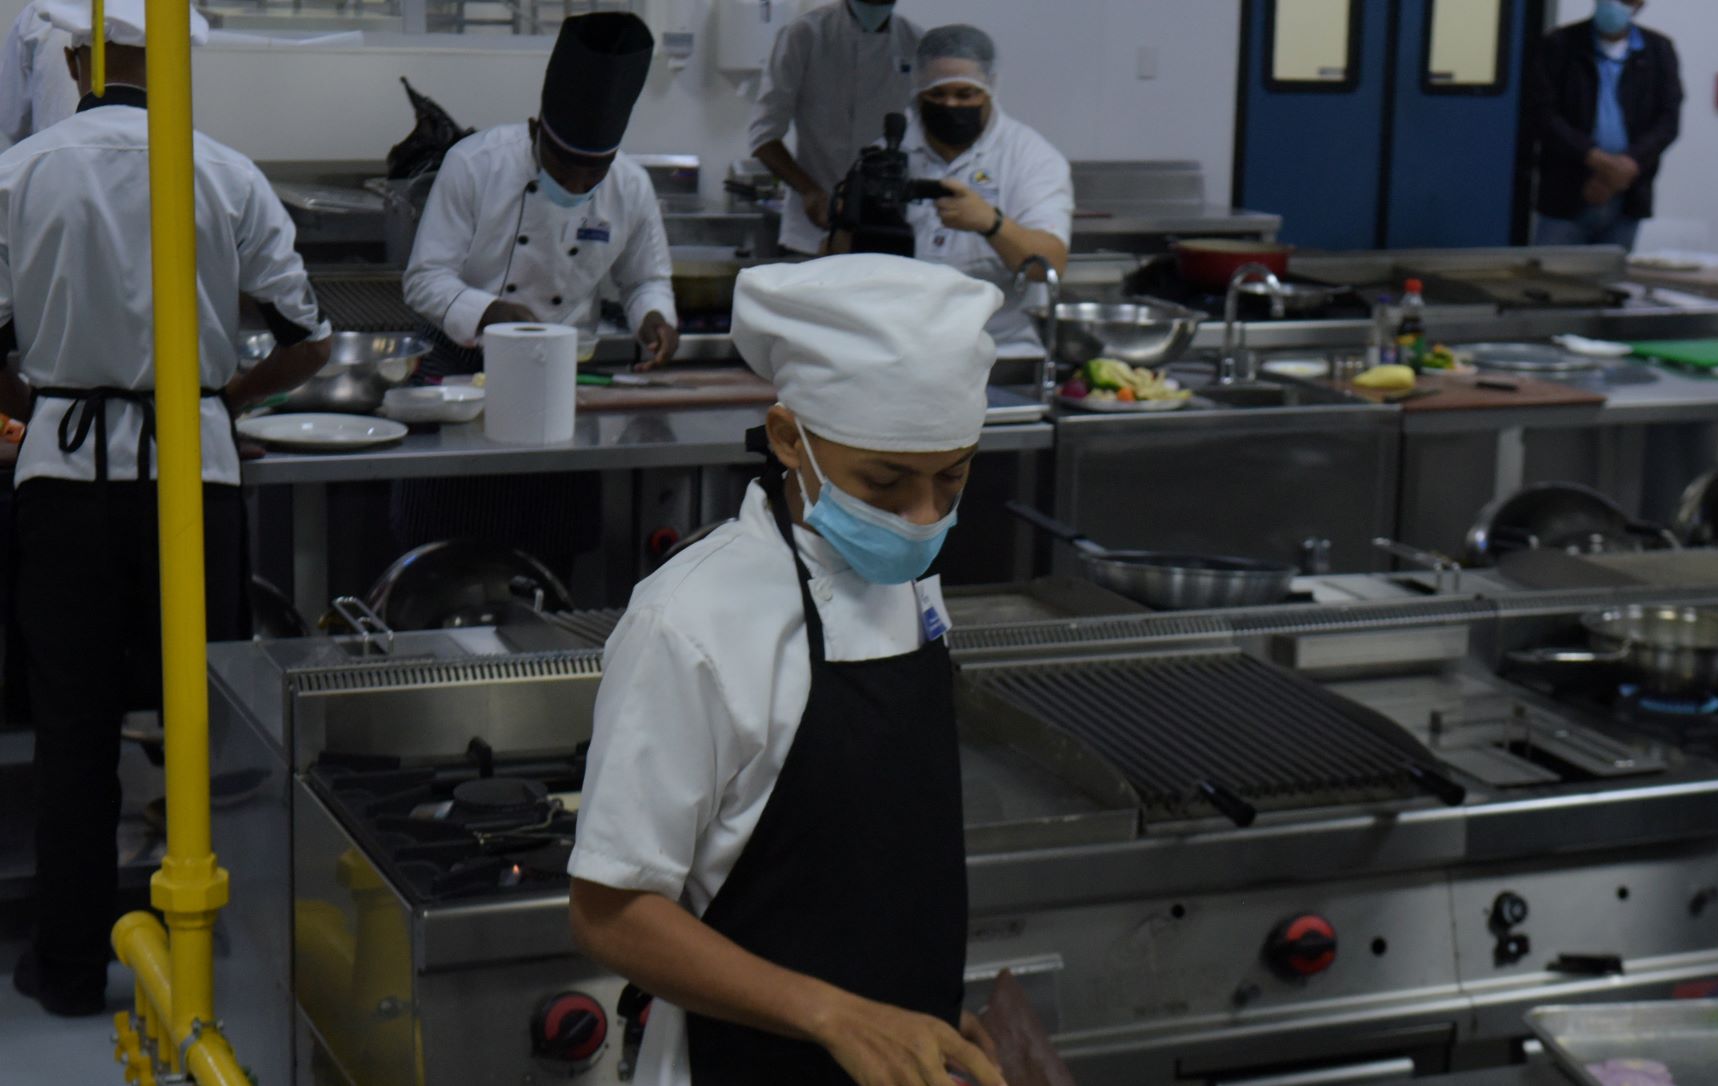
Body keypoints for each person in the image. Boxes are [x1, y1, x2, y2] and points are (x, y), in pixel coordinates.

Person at [569, 254, 1009, 1086]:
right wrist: (838, 1015)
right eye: (884, 482)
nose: (921, 519)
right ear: (786, 438)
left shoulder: (906, 580)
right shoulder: (690, 622)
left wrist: (914, 1005)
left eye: (951, 478)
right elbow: (610, 913)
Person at [0, 0, 332, 1016]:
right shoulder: (224, 172)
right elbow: (309, 339)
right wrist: (218, 401)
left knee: (73, 733)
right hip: (194, 486)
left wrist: (42, 403)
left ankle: (68, 967)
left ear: (75, 57)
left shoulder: (21, 172)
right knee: (205, 726)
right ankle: (217, 962)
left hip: (61, 484)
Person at [397, 11, 675, 578]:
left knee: (547, 556)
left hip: (555, 380)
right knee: (444, 551)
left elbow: (645, 278)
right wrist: (490, 312)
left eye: (593, 172)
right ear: (535, 129)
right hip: (459, 370)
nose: (577, 184)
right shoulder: (475, 165)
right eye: (565, 166)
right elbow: (424, 279)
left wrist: (653, 315)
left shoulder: (630, 186)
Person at [898, 25, 1071, 358]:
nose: (950, 104)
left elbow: (1050, 264)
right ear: (918, 89)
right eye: (937, 94)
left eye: (965, 95)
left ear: (990, 87)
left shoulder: (1030, 158)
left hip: (1000, 352)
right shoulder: (890, 152)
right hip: (906, 349)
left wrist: (991, 224)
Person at [750, 0, 921, 256]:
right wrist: (809, 191)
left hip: (888, 229)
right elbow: (763, 135)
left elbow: (927, 133)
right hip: (812, 228)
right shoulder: (805, 34)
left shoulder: (915, 41)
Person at [1526, 0, 1682, 249]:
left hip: (1627, 195)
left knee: (1612, 273)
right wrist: (1595, 159)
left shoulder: (1658, 50)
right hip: (1565, 193)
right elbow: (1543, 114)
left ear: (1639, 4)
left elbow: (1667, 121)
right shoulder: (1560, 43)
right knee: (1553, 271)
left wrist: (1626, 166)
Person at [0, 0, 77, 144]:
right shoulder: (38, 16)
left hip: (53, 151)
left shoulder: (38, 15)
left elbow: (12, 120)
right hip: (122, 153)